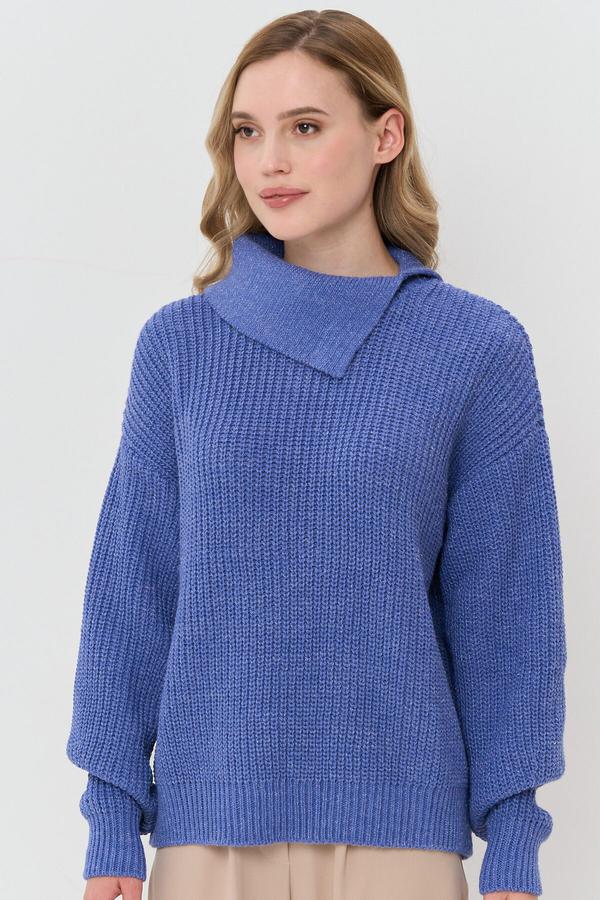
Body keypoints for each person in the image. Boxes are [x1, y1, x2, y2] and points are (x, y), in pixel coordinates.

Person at [65, 9, 567, 900]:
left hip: (402, 846)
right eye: (247, 132)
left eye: (304, 127)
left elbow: (508, 614)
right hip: (206, 843)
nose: (270, 162)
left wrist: (515, 844)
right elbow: (131, 591)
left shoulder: (475, 349)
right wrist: (111, 820)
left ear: (386, 135)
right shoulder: (180, 347)